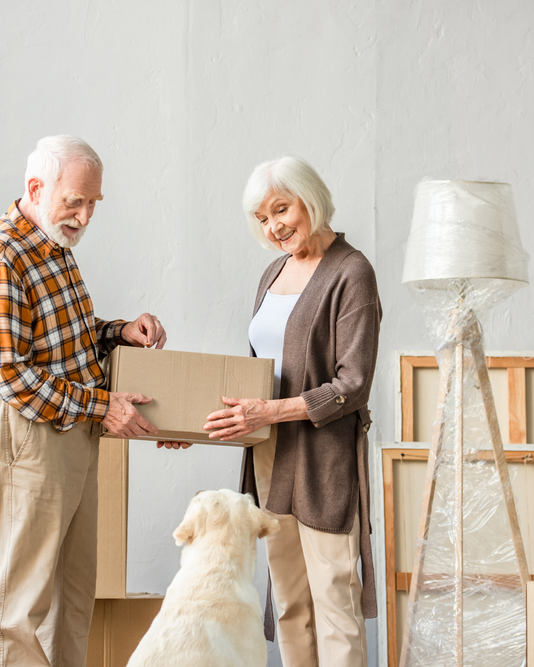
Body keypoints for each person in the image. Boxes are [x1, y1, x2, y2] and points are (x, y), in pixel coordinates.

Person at [0, 135, 166, 667]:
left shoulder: (55, 248)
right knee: (18, 606)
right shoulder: (1, 252)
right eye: (75, 200)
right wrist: (103, 406)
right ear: (35, 187)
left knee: (71, 600)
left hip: (70, 430)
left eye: (94, 202)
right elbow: (6, 372)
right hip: (28, 434)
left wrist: (121, 331)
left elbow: (64, 338)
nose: (85, 214)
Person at [199, 156, 380, 665]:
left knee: (334, 604)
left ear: (311, 199)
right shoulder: (272, 272)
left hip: (325, 462)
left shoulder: (352, 272)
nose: (274, 226)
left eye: (282, 208)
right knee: (289, 606)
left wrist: (268, 412)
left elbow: (354, 383)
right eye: (262, 218)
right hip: (269, 457)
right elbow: (261, 369)